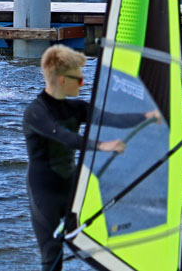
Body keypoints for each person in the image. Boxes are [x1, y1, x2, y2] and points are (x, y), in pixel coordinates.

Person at [23, 44, 160, 271]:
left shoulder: (76, 108)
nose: (83, 82)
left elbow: (113, 119)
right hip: (44, 192)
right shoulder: (36, 112)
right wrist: (102, 145)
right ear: (61, 80)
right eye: (79, 79)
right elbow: (64, 137)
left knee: (104, 243)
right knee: (52, 255)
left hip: (71, 188)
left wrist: (149, 115)